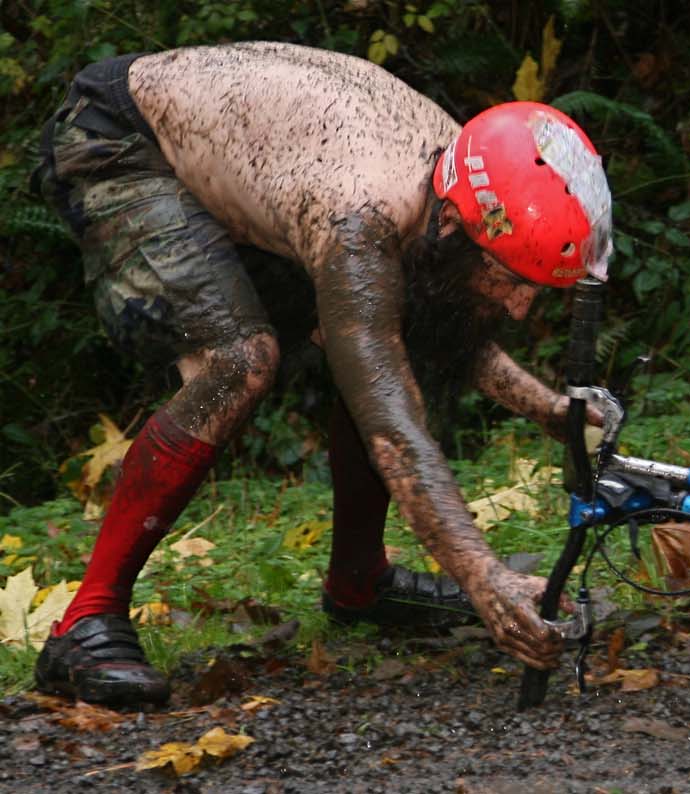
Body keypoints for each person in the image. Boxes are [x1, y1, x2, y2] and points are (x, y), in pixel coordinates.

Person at [29, 41, 612, 707]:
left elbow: (434, 321)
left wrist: (548, 410)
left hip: (257, 155)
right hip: (121, 139)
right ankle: (83, 621)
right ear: (451, 225)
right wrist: (486, 577)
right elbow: (391, 420)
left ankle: (359, 581)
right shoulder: (361, 214)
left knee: (391, 327)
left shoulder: (474, 179)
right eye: (510, 281)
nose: (516, 307)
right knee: (239, 361)